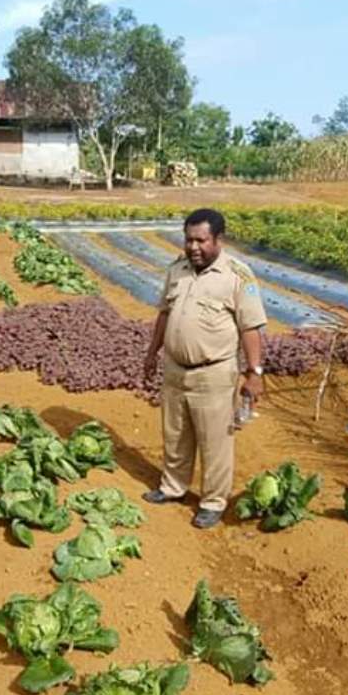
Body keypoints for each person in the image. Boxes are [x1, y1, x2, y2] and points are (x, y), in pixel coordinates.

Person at [142, 208, 268, 529]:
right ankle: (173, 487)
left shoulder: (238, 276)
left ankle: (212, 502)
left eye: (201, 241)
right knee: (175, 433)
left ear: (218, 239)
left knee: (215, 442)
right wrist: (152, 352)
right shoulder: (177, 270)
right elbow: (165, 313)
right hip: (175, 369)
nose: (193, 247)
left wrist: (254, 373)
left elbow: (250, 328)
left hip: (213, 374)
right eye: (188, 240)